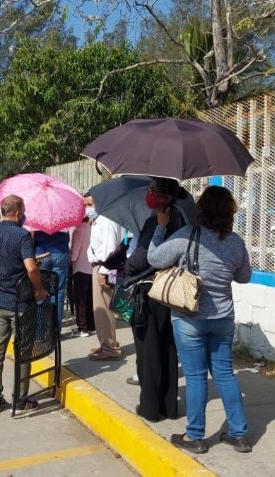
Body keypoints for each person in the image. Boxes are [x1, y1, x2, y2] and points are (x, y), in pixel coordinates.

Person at [148, 186, 252, 454]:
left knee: (195, 377)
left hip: (189, 318)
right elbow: (243, 277)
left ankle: (195, 436)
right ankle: (238, 434)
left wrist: (160, 227)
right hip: (223, 318)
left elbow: (154, 258)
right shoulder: (236, 242)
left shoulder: (187, 235)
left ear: (201, 209)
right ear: (230, 212)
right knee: (225, 374)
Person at [124, 177, 187, 422]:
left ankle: (151, 407)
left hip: (149, 293)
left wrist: (127, 267)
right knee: (167, 350)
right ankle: (169, 406)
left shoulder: (158, 222)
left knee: (148, 352)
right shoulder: (182, 218)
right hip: (169, 293)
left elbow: (143, 259)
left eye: (153, 190)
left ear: (165, 196)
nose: (148, 195)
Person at [0, 195, 48, 415]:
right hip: (20, 303)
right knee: (23, 350)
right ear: (18, 213)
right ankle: (20, 399)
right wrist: (38, 289)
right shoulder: (22, 236)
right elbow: (30, 268)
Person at [85, 194, 123, 361]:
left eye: (89, 204)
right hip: (102, 267)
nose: (87, 209)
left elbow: (110, 250)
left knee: (104, 309)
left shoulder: (106, 221)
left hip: (104, 268)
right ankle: (107, 343)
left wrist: (103, 273)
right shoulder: (99, 220)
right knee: (103, 309)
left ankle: (110, 348)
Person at [35, 230, 70, 328]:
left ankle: (40, 331)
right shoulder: (64, 215)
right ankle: (55, 330)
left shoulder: (35, 216)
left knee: (40, 290)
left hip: (41, 253)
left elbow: (31, 236)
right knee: (58, 291)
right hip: (60, 252)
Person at [70, 212, 95, 337]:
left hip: (80, 268)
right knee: (90, 298)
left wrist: (69, 256)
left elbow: (74, 255)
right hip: (92, 268)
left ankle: (82, 328)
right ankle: (91, 326)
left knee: (80, 299)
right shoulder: (93, 229)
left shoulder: (77, 231)